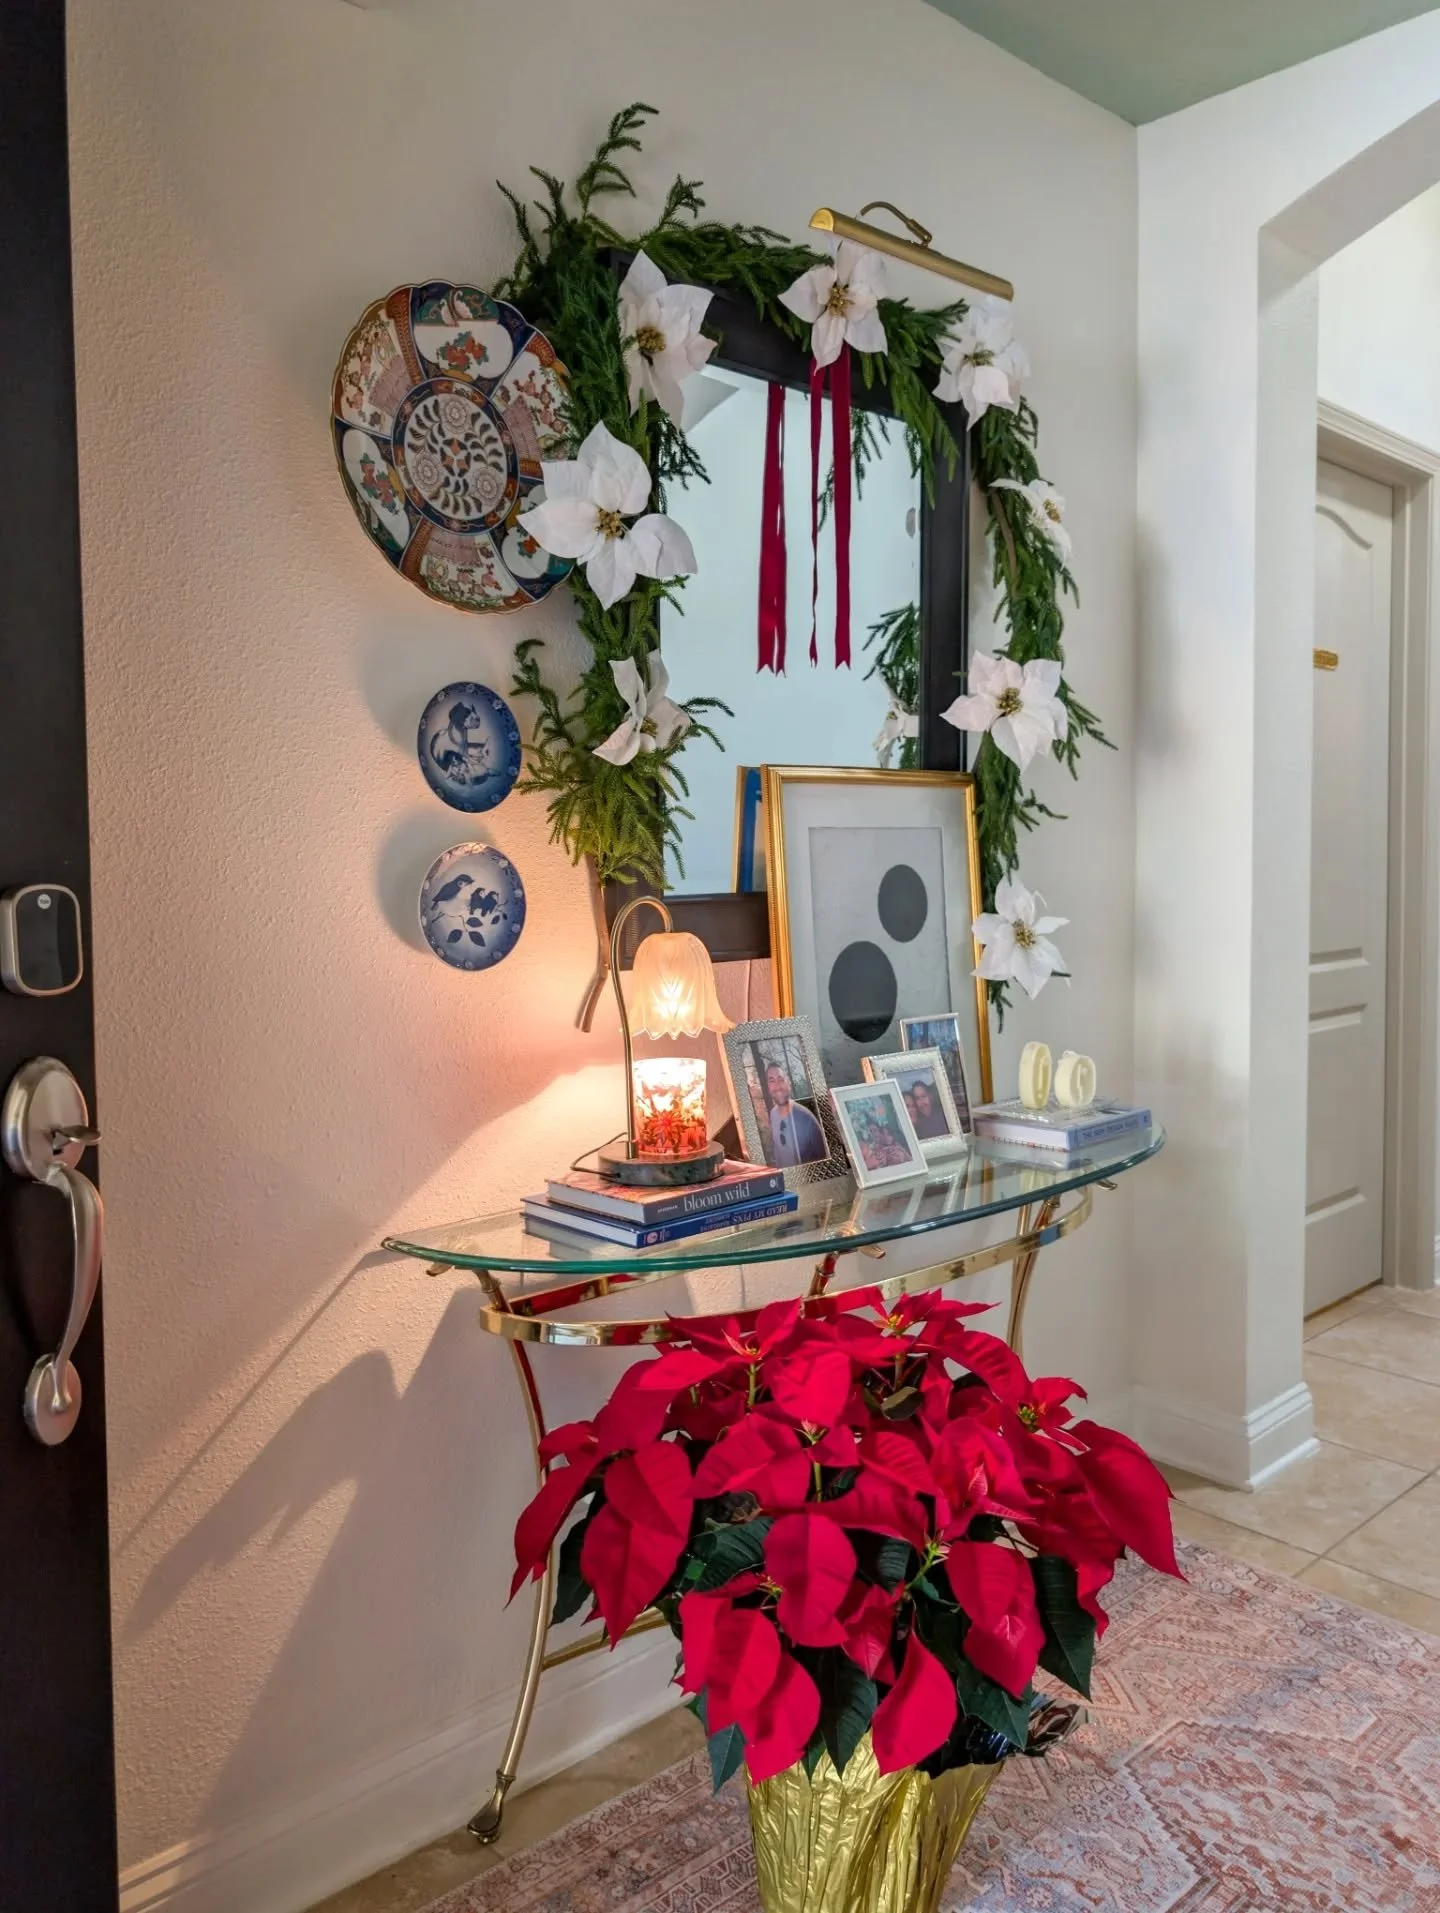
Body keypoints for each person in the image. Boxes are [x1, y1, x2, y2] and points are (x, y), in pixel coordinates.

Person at [765, 1058, 826, 1165]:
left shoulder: (806, 1119)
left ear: (788, 1083)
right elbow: (778, 1151)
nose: (777, 1086)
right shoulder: (773, 1114)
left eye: (781, 1079)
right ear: (768, 1087)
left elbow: (824, 1161)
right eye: (772, 1081)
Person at [907, 1074, 948, 1140]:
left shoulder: (945, 1115)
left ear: (930, 1097)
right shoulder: (916, 1124)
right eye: (917, 1098)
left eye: (923, 1096)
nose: (922, 1102)